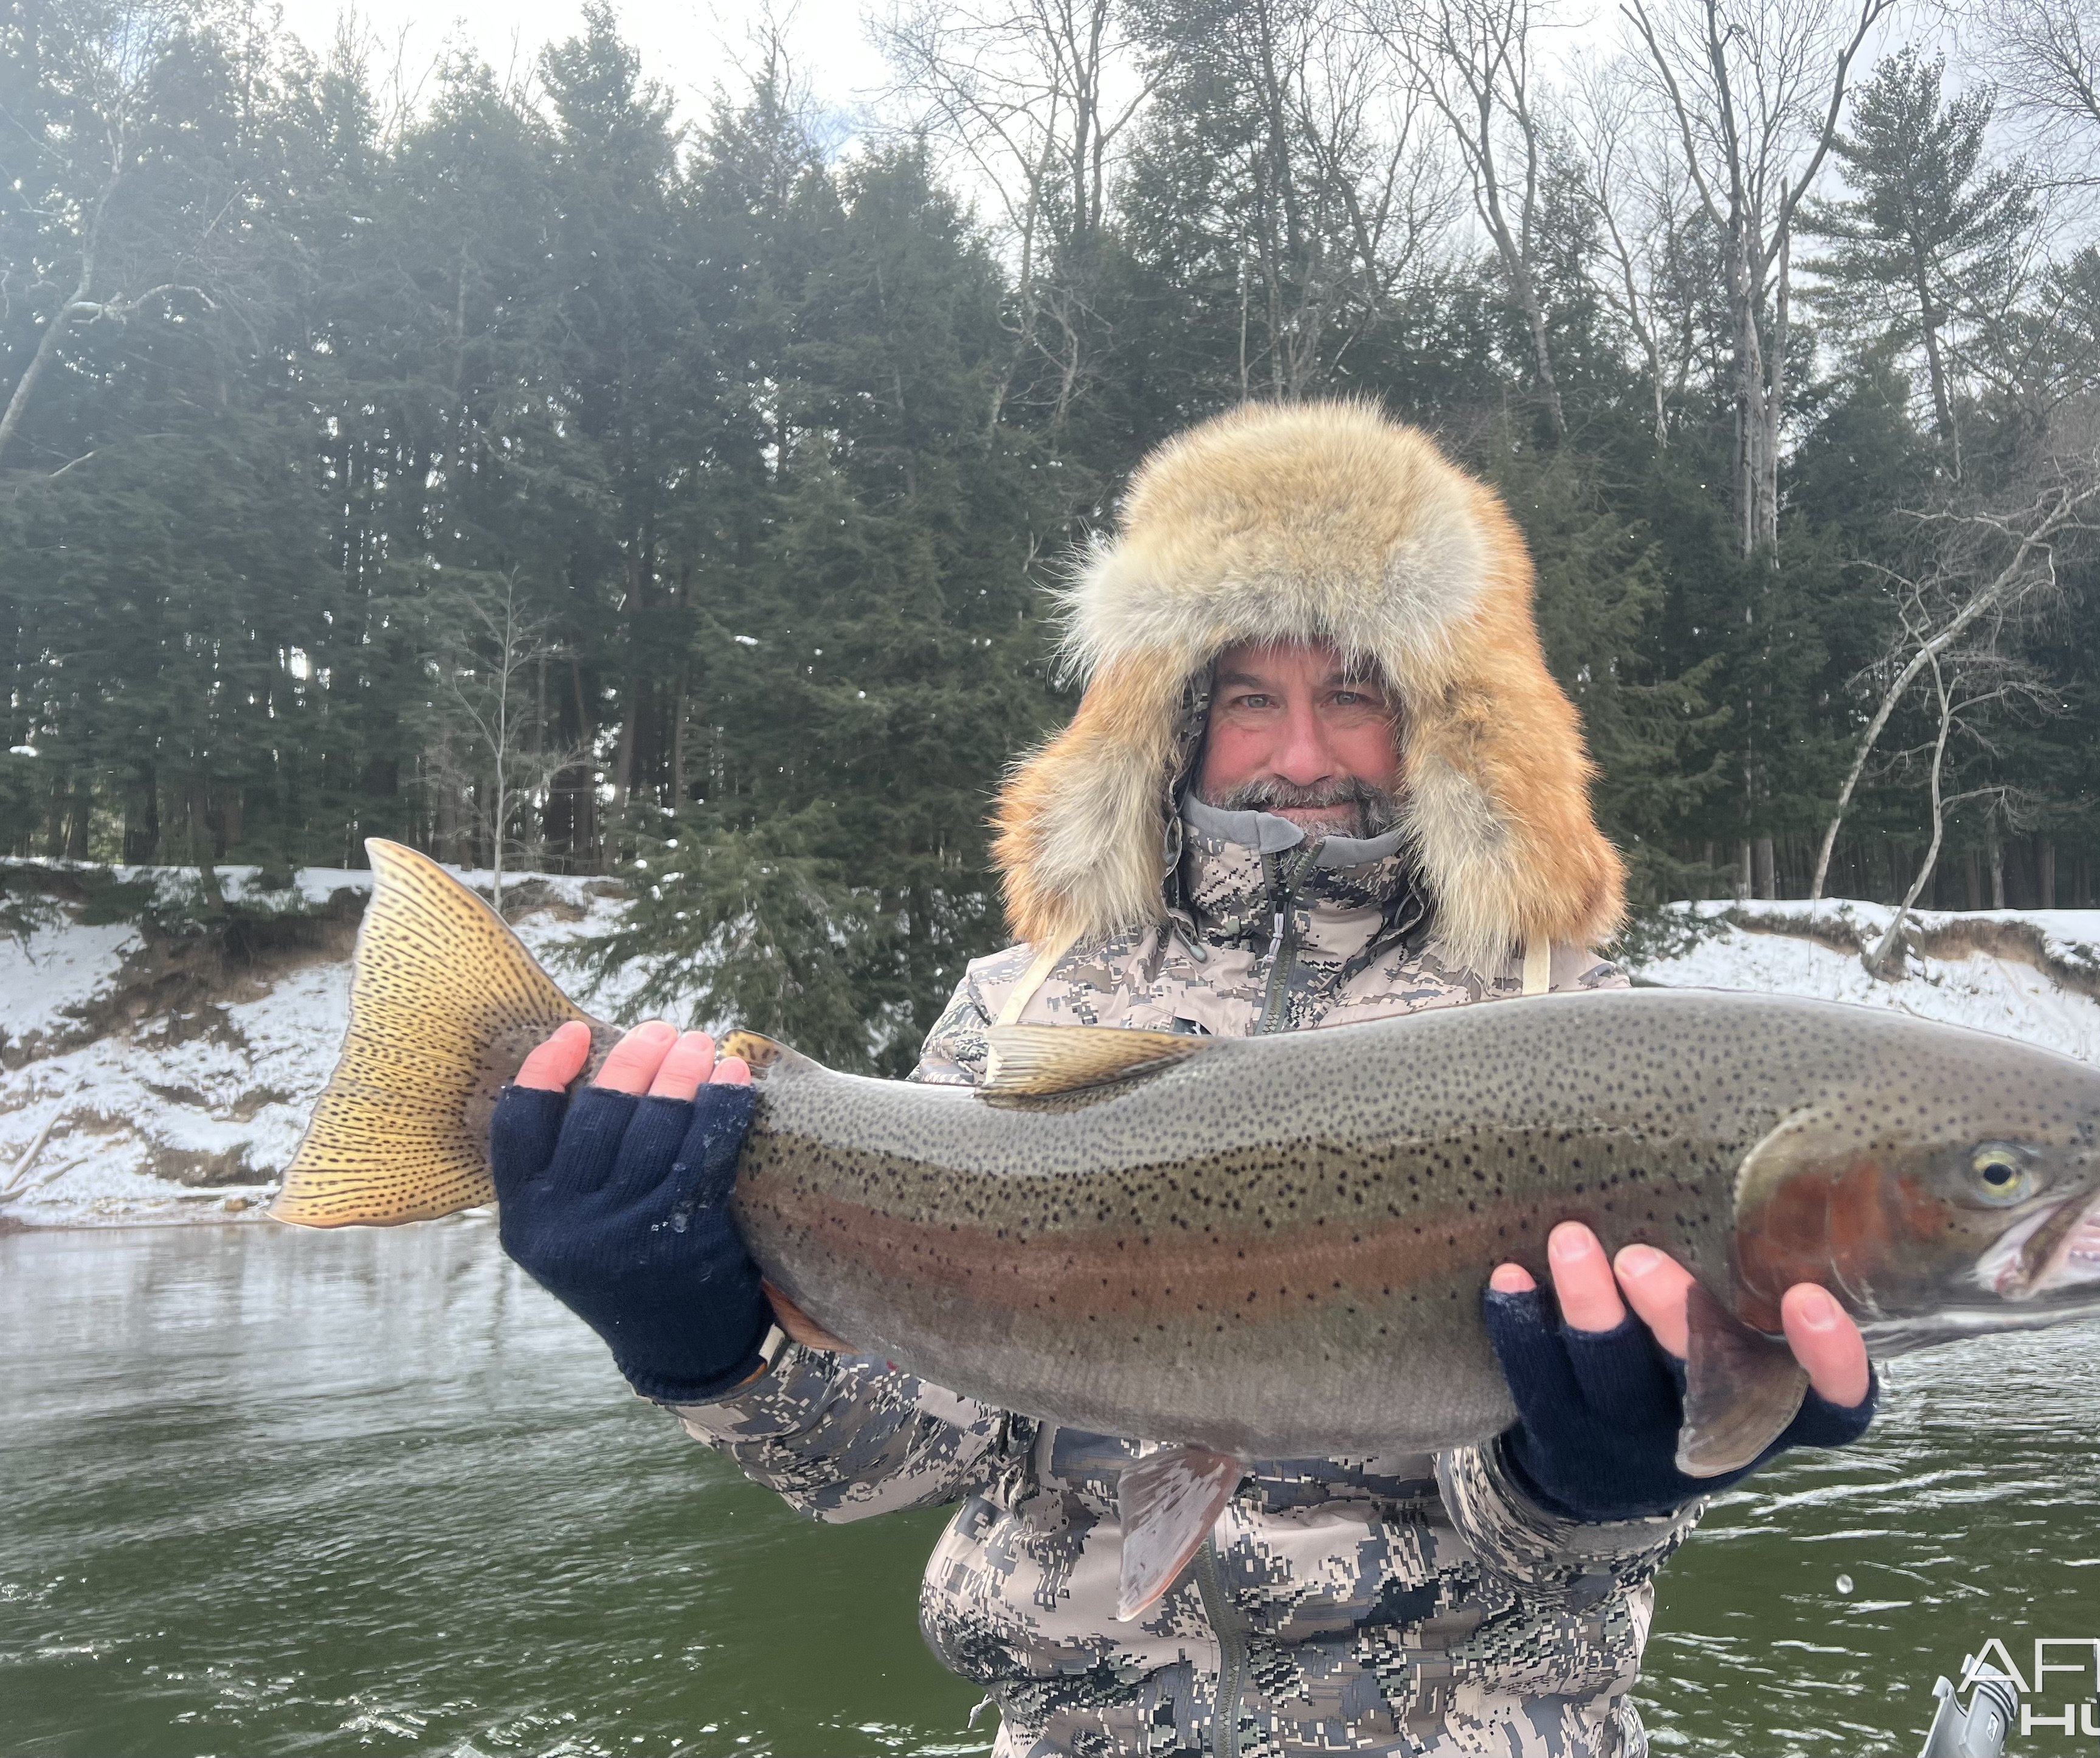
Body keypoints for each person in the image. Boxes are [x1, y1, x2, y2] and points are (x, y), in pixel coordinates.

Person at [489, 402, 1874, 1756]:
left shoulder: (1571, 1035)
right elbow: (904, 1454)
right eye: (1246, 700)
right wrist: (701, 1344)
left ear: (1443, 723)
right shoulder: (1025, 1006)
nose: (1300, 755)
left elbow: (1574, 1543)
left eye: (1353, 695)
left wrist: (1597, 1476)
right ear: (1168, 720)